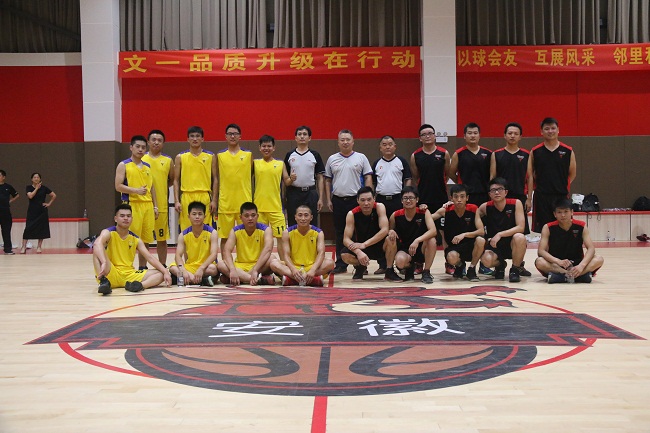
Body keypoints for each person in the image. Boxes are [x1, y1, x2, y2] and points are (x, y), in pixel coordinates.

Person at [94, 204, 172, 295]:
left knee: (161, 274)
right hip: (110, 271)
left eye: (128, 216)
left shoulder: (136, 239)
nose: (125, 218)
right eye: (122, 216)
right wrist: (104, 262)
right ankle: (103, 282)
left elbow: (149, 257)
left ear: (132, 219)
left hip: (129, 275)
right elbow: (97, 244)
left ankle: (138, 286)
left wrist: (165, 271)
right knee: (96, 250)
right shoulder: (108, 232)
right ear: (115, 219)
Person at [324, 129, 373, 274]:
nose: (345, 142)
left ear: (353, 142)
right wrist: (328, 199)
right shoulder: (332, 159)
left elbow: (368, 177)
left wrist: (368, 198)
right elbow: (328, 180)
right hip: (338, 200)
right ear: (338, 142)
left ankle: (361, 265)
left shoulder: (361, 158)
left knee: (358, 232)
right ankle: (341, 263)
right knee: (340, 232)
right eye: (342, 140)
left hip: (356, 201)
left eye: (348, 139)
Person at [535, 198, 604, 283]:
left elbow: (591, 249)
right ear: (554, 214)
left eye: (566, 211)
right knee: (539, 261)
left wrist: (581, 266)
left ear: (572, 212)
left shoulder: (581, 226)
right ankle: (577, 276)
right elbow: (541, 251)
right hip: (557, 265)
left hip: (577, 265)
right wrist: (558, 261)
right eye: (559, 212)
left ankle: (561, 277)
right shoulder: (548, 227)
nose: (563, 215)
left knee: (599, 259)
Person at [371, 135, 412, 274]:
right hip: (381, 201)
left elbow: (407, 180)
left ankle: (401, 263)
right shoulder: (376, 163)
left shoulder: (401, 161)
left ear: (395, 146)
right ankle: (383, 264)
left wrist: (405, 197)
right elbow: (373, 183)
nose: (387, 146)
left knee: (399, 231)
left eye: (390, 144)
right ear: (380, 147)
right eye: (384, 144)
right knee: (382, 231)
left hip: (397, 200)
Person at [528, 117, 577, 233]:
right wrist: (529, 198)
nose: (550, 131)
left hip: (561, 196)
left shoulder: (568, 151)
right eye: (547, 129)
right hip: (542, 197)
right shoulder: (535, 151)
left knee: (564, 228)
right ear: (541, 132)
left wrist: (560, 185)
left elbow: (572, 174)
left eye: (553, 128)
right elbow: (530, 176)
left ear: (558, 130)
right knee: (544, 230)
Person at [114, 135, 157, 268]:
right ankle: (126, 266)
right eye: (137, 146)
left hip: (147, 206)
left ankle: (142, 267)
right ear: (131, 147)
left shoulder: (148, 166)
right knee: (130, 238)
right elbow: (118, 186)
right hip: (132, 205)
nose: (140, 149)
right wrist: (136, 191)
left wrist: (155, 206)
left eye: (143, 147)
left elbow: (152, 188)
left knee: (146, 240)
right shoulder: (123, 165)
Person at [270, 204, 335, 286]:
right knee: (273, 263)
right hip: (294, 267)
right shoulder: (287, 232)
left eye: (306, 215)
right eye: (300, 215)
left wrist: (313, 270)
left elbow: (321, 253)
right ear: (295, 217)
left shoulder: (318, 232)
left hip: (312, 266)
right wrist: (293, 269)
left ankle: (292, 280)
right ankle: (312, 280)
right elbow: (286, 255)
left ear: (311, 217)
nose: (303, 218)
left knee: (330, 263)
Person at [431, 184, 485, 282]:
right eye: (456, 197)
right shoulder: (445, 210)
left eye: (462, 196)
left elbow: (481, 231)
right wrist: (423, 209)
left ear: (467, 198)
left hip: (470, 245)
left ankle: (472, 269)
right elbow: (428, 218)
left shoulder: (473, 209)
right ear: (451, 198)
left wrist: (464, 234)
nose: (459, 200)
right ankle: (460, 265)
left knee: (480, 240)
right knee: (452, 258)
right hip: (454, 247)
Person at [478, 178, 527, 282]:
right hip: (495, 244)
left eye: (500, 189)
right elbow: (469, 213)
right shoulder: (485, 207)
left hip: (512, 243)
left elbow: (521, 227)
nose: (496, 192)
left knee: (520, 237)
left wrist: (500, 234)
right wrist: (449, 205)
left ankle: (515, 269)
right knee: (486, 260)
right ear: (489, 194)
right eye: (493, 190)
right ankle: (500, 265)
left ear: (506, 192)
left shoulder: (516, 203)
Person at [384, 186, 437, 284]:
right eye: (405, 198)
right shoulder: (395, 215)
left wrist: (417, 240)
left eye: (411, 198)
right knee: (399, 259)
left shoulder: (424, 212)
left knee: (432, 240)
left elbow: (433, 231)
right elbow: (389, 230)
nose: (408, 201)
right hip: (405, 249)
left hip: (421, 248)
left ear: (417, 199)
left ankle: (426, 272)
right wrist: (391, 231)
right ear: (401, 200)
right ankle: (407, 268)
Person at [217, 202, 275, 286]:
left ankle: (239, 278)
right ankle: (255, 280)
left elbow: (268, 249)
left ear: (257, 216)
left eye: (253, 215)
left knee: (272, 258)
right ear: (241, 217)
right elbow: (226, 251)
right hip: (240, 266)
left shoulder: (266, 230)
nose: (250, 218)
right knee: (220, 264)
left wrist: (255, 269)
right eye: (246, 216)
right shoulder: (235, 231)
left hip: (259, 264)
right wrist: (232, 269)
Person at [340, 186, 392, 280]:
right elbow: (346, 239)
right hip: (361, 246)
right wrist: (358, 252)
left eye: (369, 199)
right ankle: (360, 267)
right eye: (363, 200)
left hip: (378, 245)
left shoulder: (380, 207)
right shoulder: (352, 214)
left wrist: (365, 244)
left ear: (374, 199)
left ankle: (389, 270)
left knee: (391, 240)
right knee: (345, 255)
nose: (366, 203)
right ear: (357, 201)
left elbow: (385, 230)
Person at [216, 123, 253, 252]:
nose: (232, 136)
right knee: (225, 237)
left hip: (244, 202)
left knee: (245, 236)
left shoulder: (248, 155)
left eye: (235, 134)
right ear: (225, 136)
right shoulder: (220, 156)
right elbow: (216, 178)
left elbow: (251, 174)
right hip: (225, 203)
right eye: (230, 134)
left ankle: (244, 261)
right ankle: (226, 262)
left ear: (240, 136)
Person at [173, 126, 217, 232]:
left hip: (204, 196)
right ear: (188, 139)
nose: (195, 139)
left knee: (206, 230)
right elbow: (175, 180)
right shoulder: (180, 157)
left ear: (202, 139)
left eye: (198, 136)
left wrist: (214, 200)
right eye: (192, 136)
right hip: (186, 196)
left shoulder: (211, 156)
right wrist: (176, 201)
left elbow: (215, 179)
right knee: (186, 230)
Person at [253, 135, 290, 260]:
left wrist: (292, 178)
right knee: (260, 239)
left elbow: (287, 180)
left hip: (276, 208)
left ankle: (284, 263)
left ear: (274, 148)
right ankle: (260, 264)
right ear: (259, 148)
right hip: (259, 208)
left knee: (281, 238)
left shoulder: (280, 164)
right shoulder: (255, 163)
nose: (266, 148)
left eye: (269, 146)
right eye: (264, 146)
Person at [490, 122, 531, 233]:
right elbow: (492, 177)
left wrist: (529, 199)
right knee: (501, 228)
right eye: (510, 133)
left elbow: (530, 178)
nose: (512, 136)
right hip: (501, 196)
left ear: (520, 137)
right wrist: (492, 195)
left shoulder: (526, 155)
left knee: (520, 232)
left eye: (516, 134)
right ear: (505, 135)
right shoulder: (496, 154)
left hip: (520, 196)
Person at [142, 129, 174, 265]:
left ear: (163, 143)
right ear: (148, 142)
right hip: (143, 204)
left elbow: (172, 179)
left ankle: (163, 266)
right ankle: (142, 267)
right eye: (153, 140)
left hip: (161, 206)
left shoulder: (167, 160)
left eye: (159, 140)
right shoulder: (141, 159)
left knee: (162, 238)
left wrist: (161, 188)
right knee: (144, 239)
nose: (156, 142)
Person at [284, 125, 326, 227]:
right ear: (295, 138)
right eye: (299, 134)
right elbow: (285, 179)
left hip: (310, 193)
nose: (302, 136)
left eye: (304, 134)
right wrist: (285, 197)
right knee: (293, 223)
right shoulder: (289, 155)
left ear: (309, 138)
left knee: (312, 223)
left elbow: (320, 178)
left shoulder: (315, 155)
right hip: (293, 193)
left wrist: (321, 198)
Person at [169, 201, 219, 287]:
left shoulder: (212, 232)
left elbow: (214, 255)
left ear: (204, 216)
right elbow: (178, 256)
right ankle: (201, 281)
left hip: (206, 266)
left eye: (200, 214)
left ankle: (188, 279)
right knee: (172, 267)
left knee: (213, 268)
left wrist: (201, 268)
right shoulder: (183, 235)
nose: (197, 217)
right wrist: (183, 270)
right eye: (194, 214)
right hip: (190, 267)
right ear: (189, 216)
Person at [409, 123, 450, 216]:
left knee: (441, 223)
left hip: (441, 196)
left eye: (430, 133)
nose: (427, 136)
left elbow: (447, 174)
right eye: (424, 134)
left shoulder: (444, 153)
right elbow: (416, 177)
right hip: (423, 197)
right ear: (420, 138)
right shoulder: (415, 155)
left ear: (434, 136)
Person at [449, 123, 492, 206]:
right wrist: (461, 183)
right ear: (464, 136)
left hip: (484, 193)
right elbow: (451, 173)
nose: (473, 136)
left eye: (475, 133)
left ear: (479, 136)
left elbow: (492, 174)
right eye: (469, 133)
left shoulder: (488, 153)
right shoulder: (458, 154)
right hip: (466, 195)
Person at [20, 172, 57, 254]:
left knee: (41, 229)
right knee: (28, 228)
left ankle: (39, 247)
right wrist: (36, 188)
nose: (36, 178)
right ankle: (23, 246)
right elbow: (30, 196)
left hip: (42, 211)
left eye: (38, 177)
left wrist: (49, 203)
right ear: (32, 179)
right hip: (32, 211)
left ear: (40, 179)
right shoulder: (29, 187)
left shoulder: (44, 188)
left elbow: (54, 195)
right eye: (34, 177)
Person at [0, 170, 19, 255]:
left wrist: (10, 201)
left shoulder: (8, 186)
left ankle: (7, 249)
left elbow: (17, 195)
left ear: (4, 177)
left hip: (5, 211)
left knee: (6, 231)